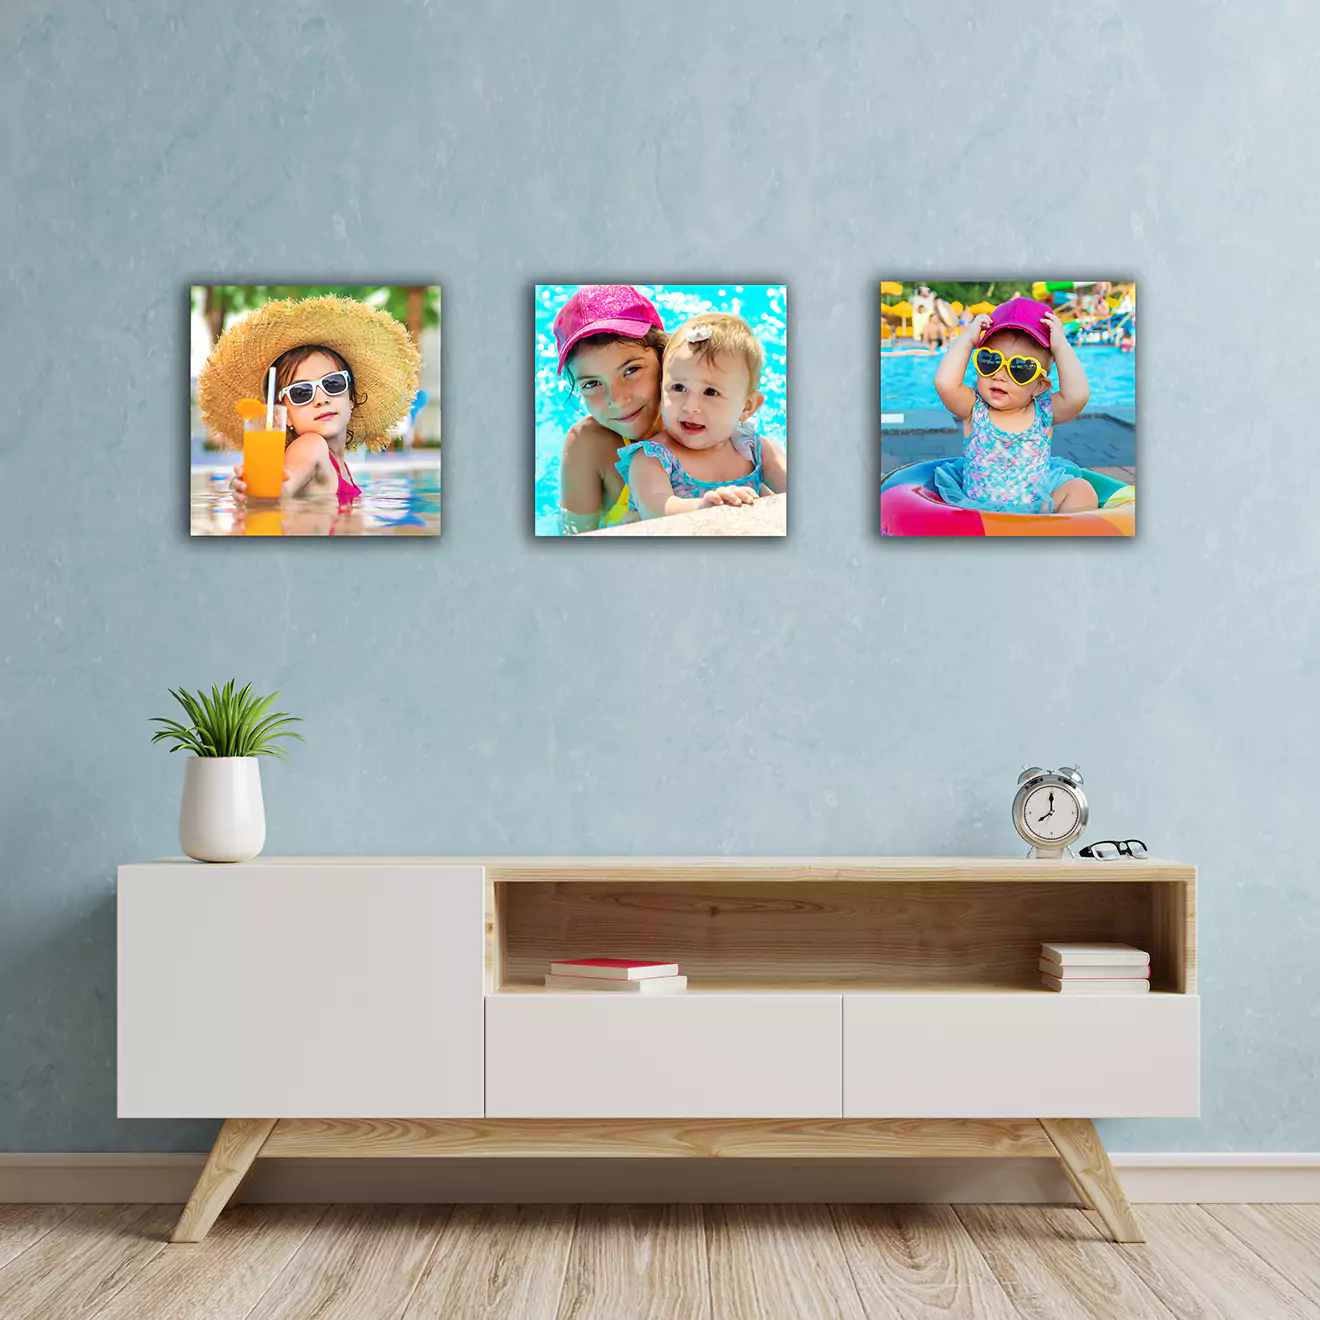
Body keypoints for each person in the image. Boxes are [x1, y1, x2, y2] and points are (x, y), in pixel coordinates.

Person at [198, 294, 421, 506]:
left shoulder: (338, 465)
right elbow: (282, 487)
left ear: (351, 398)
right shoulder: (311, 446)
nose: (321, 399)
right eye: (301, 392)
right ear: (284, 415)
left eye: (332, 384)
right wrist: (263, 491)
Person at [930, 296, 1097, 514]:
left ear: (1040, 386)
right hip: (982, 510)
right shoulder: (974, 408)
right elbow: (944, 383)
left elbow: (1078, 396)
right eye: (990, 361)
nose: (1000, 375)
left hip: (1037, 508)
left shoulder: (1045, 412)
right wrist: (967, 340)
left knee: (1082, 491)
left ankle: (1054, 536)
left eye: (1020, 369)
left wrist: (1061, 347)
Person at [615, 313, 787, 521]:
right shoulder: (652, 458)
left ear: (747, 406)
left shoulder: (755, 450)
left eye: (711, 392)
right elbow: (655, 509)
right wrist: (704, 507)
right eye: (678, 387)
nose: (690, 406)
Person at [552, 285, 669, 534]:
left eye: (630, 370)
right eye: (592, 384)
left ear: (664, 357)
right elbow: (572, 539)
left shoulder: (703, 414)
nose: (617, 399)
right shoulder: (588, 445)